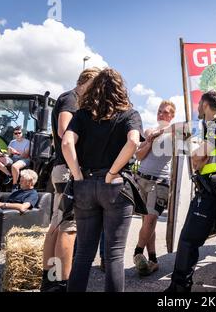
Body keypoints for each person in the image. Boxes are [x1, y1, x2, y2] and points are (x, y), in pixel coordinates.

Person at [62, 68, 143, 292]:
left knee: (83, 254)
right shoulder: (130, 114)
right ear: (120, 89)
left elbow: (67, 143)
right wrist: (112, 173)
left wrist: (78, 175)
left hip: (85, 185)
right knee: (115, 255)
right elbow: (134, 143)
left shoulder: (83, 114)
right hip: (116, 188)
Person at [165, 90, 216, 292]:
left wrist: (196, 160)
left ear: (205, 105)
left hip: (211, 191)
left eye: (199, 105)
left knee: (188, 240)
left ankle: (179, 288)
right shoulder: (215, 127)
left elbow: (199, 155)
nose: (197, 108)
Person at [41, 67, 101, 292]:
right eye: (96, 88)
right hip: (69, 170)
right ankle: (62, 284)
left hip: (61, 169)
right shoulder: (71, 99)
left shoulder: (67, 98)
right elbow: (63, 130)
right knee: (70, 228)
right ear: (88, 82)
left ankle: (49, 282)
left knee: (56, 226)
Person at [133, 101, 176, 276]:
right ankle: (153, 260)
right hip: (142, 179)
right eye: (159, 111)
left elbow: (184, 130)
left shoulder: (175, 134)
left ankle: (137, 252)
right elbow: (139, 155)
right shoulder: (149, 131)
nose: (160, 114)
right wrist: (149, 141)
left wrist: (162, 132)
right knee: (147, 223)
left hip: (159, 183)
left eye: (165, 112)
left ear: (172, 115)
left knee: (150, 220)